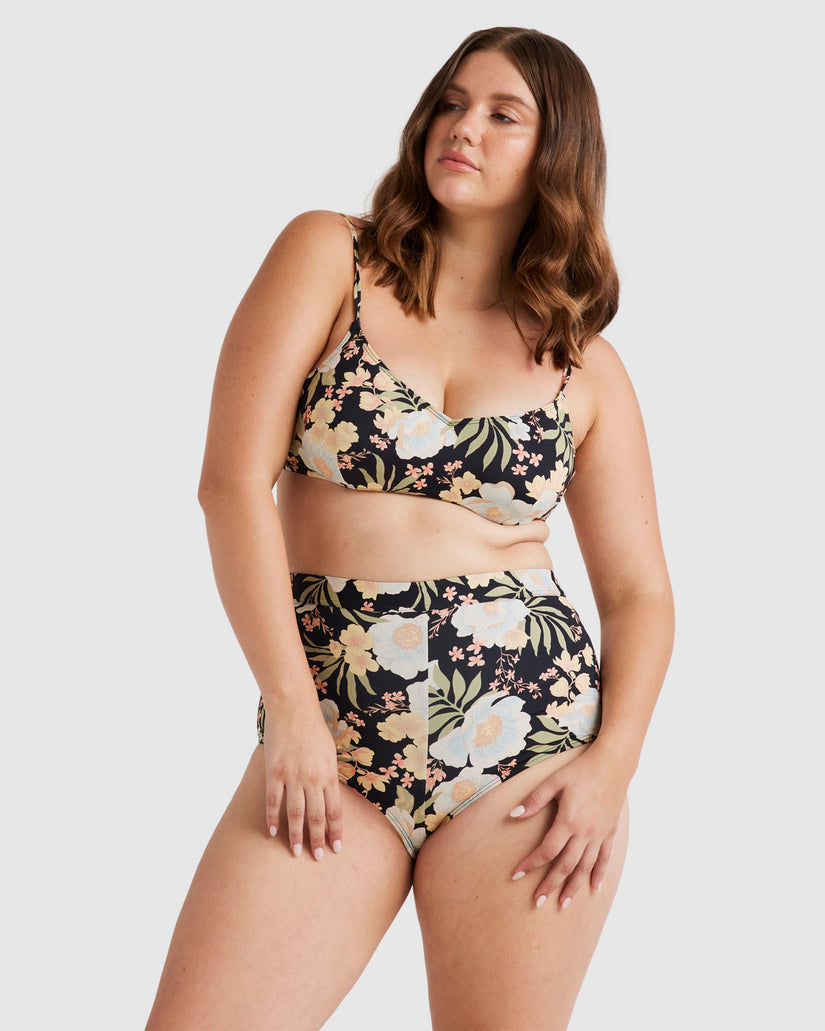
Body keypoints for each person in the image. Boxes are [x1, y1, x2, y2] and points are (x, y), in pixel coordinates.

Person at [146, 25, 674, 1031]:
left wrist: (613, 765)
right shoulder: (329, 256)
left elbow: (640, 592)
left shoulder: (585, 364)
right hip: (331, 728)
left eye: (503, 114)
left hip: (527, 743)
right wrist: (291, 710)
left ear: (557, 154)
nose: (462, 128)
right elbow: (229, 486)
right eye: (451, 103)